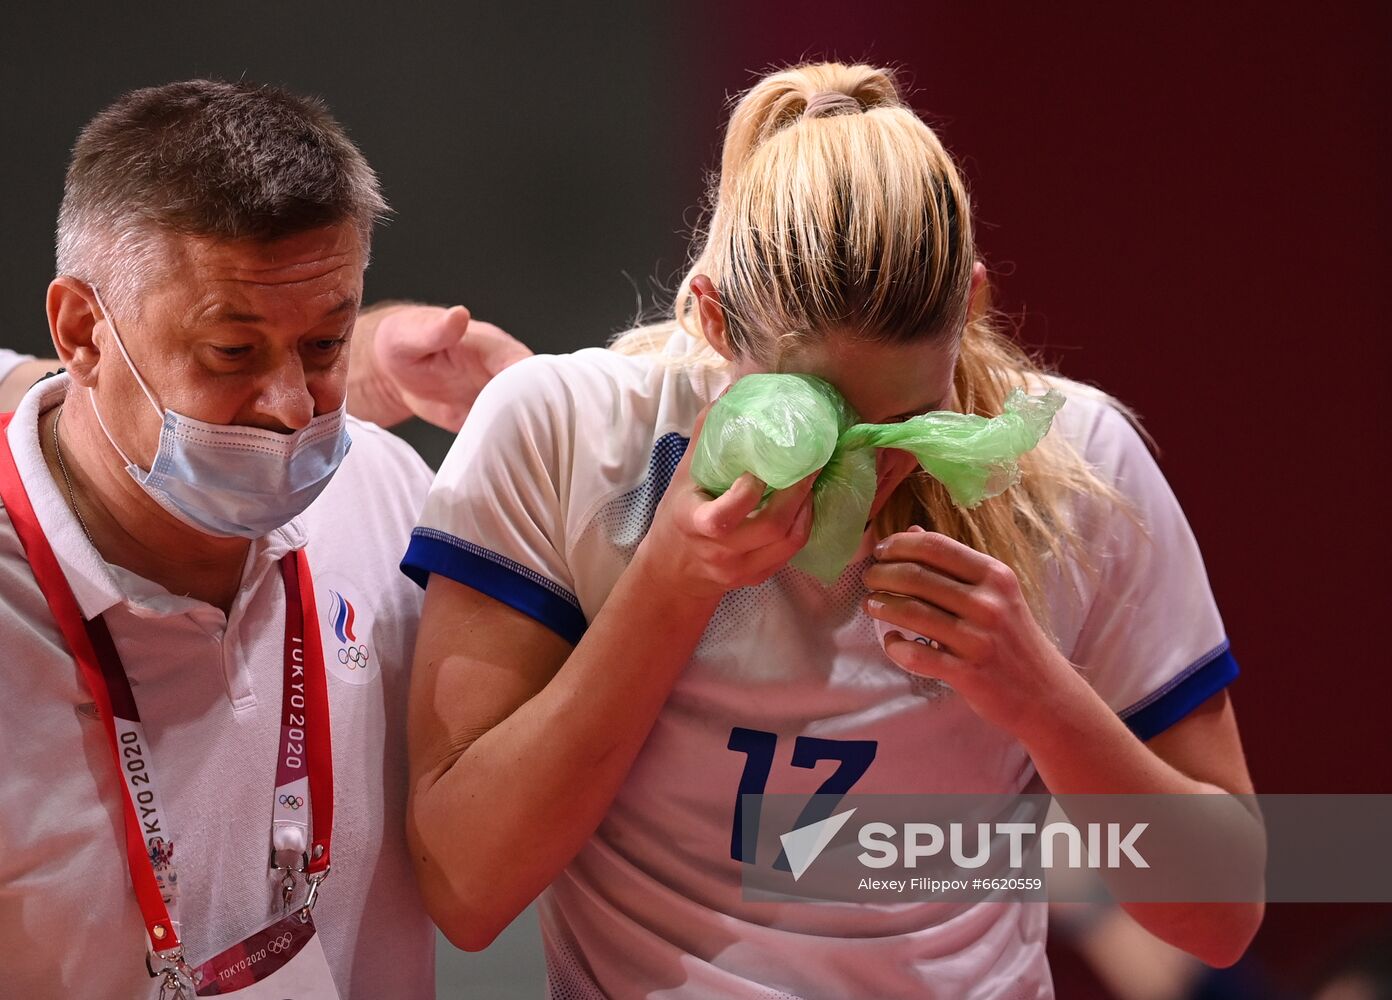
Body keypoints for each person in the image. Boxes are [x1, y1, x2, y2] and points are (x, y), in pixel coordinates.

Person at [402, 62, 1263, 998]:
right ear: (713, 317)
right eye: (823, 428)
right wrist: (672, 583)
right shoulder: (566, 432)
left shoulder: (1075, 459)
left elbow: (1221, 918)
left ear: (970, 307)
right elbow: (467, 891)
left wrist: (1041, 698)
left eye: (908, 425)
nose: (867, 473)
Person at [0, 79, 527, 998]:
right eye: (232, 354)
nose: (291, 410)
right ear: (83, 333)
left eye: (323, 347)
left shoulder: (388, 495)